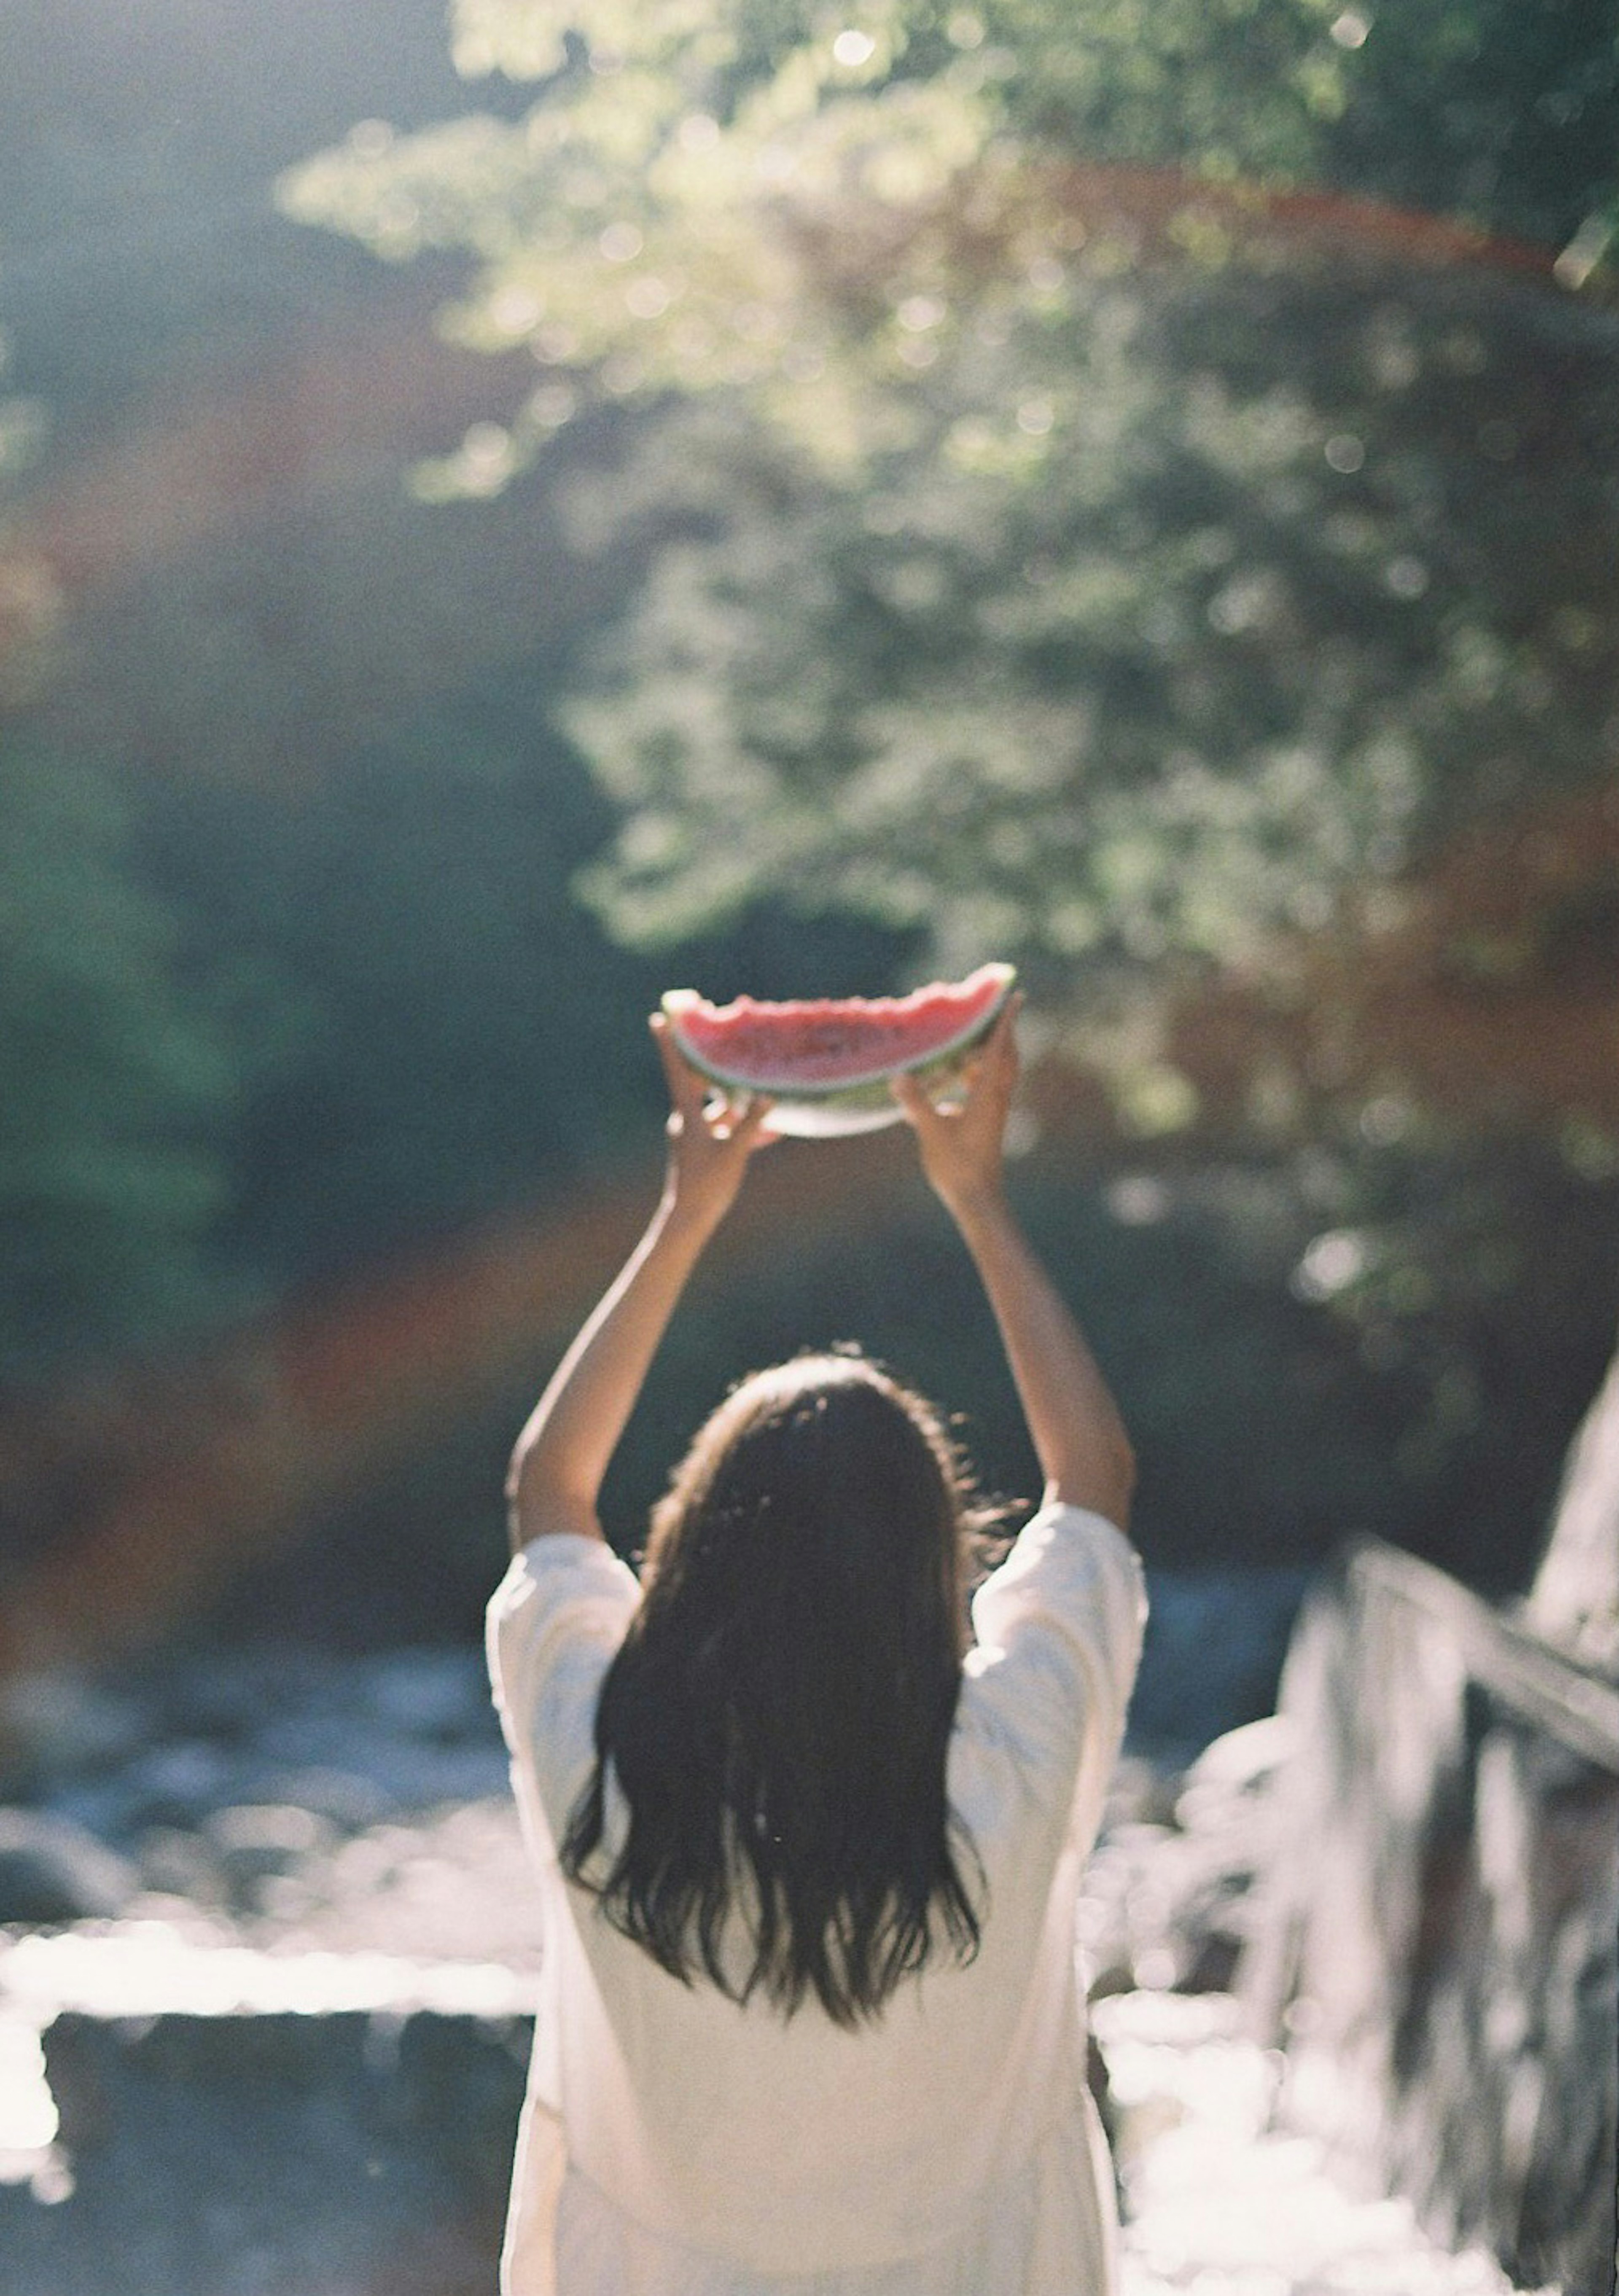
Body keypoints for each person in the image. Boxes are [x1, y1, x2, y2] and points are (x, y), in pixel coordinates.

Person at [487, 997, 1145, 2296]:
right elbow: (1095, 1482)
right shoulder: (1010, 1771)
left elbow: (546, 1495)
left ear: (690, 1550)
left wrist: (687, 1212)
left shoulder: (604, 1776)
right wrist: (978, 1198)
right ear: (928, 1565)